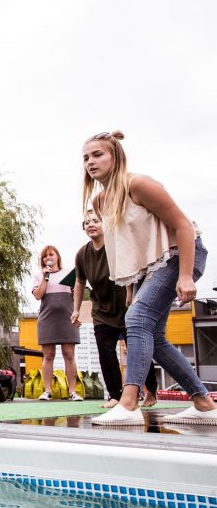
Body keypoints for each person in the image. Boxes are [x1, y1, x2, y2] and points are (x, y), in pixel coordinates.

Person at [82, 131, 217, 425]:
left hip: (181, 254)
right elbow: (130, 245)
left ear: (115, 156)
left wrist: (185, 277)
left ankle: (129, 403)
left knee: (137, 320)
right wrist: (132, 287)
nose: (90, 162)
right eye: (86, 158)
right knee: (153, 335)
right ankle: (204, 402)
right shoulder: (101, 200)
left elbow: (184, 227)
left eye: (97, 155)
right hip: (151, 267)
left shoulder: (138, 184)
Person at [72, 210, 158, 408]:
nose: (90, 225)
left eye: (95, 221)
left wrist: (130, 293)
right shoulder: (82, 254)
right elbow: (79, 282)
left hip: (127, 307)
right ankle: (115, 396)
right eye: (86, 223)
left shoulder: (116, 245)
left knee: (138, 350)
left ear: (106, 225)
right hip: (101, 310)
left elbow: (129, 268)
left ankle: (151, 390)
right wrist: (76, 309)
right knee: (105, 352)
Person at [32, 245, 83, 401]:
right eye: (45, 256)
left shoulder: (69, 274)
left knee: (69, 354)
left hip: (67, 318)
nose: (48, 258)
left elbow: (79, 293)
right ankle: (47, 391)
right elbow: (38, 295)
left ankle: (72, 391)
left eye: (51, 254)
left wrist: (78, 313)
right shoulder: (39, 276)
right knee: (48, 355)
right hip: (47, 319)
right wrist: (44, 278)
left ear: (58, 257)